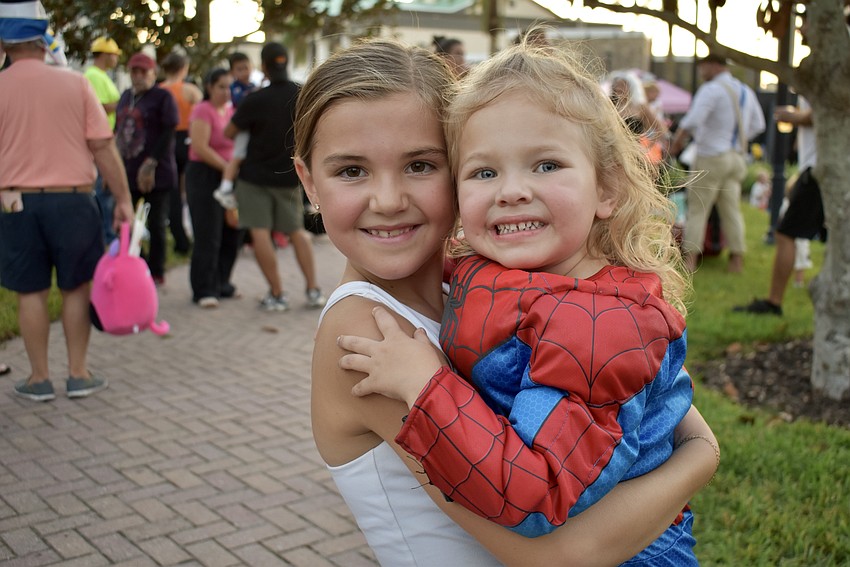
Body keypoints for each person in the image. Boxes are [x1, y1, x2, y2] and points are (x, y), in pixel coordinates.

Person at [294, 38, 719, 566]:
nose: (388, 200)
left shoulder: (478, 285)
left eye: (420, 165)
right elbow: (554, 556)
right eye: (351, 171)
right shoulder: (367, 335)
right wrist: (699, 459)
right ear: (308, 181)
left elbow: (645, 396)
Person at [0, 5, 133, 402]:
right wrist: (123, 198)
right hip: (73, 201)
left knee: (30, 292)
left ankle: (39, 378)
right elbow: (104, 147)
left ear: (5, 44)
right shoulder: (75, 84)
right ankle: (78, 373)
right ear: (43, 43)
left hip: (15, 203)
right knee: (76, 288)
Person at [225, 42, 326, 311]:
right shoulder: (302, 94)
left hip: (254, 177)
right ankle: (314, 290)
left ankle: (278, 294)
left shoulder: (255, 99)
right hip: (289, 176)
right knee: (297, 232)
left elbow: (229, 133)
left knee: (260, 233)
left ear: (264, 67)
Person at [670, 53, 765, 273]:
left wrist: (676, 144)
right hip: (736, 157)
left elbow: (692, 121)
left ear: (713, 65)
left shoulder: (712, 90)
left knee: (698, 209)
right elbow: (758, 125)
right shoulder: (746, 91)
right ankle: (736, 260)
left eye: (703, 67)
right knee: (731, 210)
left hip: (711, 156)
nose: (701, 72)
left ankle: (690, 261)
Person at [733, 98, 822, 316]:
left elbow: (828, 109)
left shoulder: (830, 76)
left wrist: (796, 117)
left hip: (819, 170)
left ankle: (774, 302)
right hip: (816, 167)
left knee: (785, 233)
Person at [114, 52, 178, 285]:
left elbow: (169, 131)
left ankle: (156, 270)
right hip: (128, 171)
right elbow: (118, 133)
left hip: (157, 174)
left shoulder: (162, 97)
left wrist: (151, 163)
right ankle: (136, 264)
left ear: (153, 73)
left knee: (156, 223)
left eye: (144, 71)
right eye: (134, 71)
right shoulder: (125, 97)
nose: (139, 76)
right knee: (126, 221)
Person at [185, 68, 241, 308]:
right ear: (210, 87)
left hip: (230, 176)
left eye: (229, 87)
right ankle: (204, 288)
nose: (226, 92)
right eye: (221, 86)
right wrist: (226, 166)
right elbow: (199, 146)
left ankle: (222, 282)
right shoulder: (202, 110)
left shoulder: (231, 111)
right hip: (205, 175)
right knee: (208, 234)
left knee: (233, 232)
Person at [160, 51, 202, 255]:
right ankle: (194, 234)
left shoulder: (159, 91)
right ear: (183, 68)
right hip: (188, 140)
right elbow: (202, 115)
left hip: (166, 142)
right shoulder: (190, 91)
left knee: (173, 192)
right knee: (191, 191)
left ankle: (180, 240)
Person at [84, 36, 122, 244]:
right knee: (104, 191)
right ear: (106, 55)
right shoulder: (93, 75)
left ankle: (109, 235)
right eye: (114, 55)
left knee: (107, 191)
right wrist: (122, 104)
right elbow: (97, 107)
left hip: (107, 138)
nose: (116, 59)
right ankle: (108, 237)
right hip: (101, 142)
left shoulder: (102, 75)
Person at [609, 71, 668, 164]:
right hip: (612, 153)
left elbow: (660, 128)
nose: (619, 88)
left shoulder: (639, 106)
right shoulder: (608, 105)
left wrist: (647, 147)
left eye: (622, 85)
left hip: (634, 154)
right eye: (617, 85)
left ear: (630, 87)